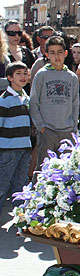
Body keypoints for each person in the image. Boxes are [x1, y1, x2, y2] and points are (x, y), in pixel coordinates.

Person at [29, 36, 79, 172]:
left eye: (60, 52)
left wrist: (73, 126)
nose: (56, 56)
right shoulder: (42, 75)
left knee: (66, 171)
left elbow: (75, 104)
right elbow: (33, 102)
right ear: (47, 54)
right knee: (44, 170)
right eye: (52, 52)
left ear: (66, 53)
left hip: (67, 130)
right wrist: (41, 127)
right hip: (48, 130)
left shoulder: (72, 77)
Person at [0, 62, 32, 215]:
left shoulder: (26, 98)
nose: (23, 77)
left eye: (25, 73)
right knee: (3, 184)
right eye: (18, 73)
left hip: (25, 147)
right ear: (9, 77)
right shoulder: (4, 99)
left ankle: (20, 216)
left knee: (21, 184)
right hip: (8, 149)